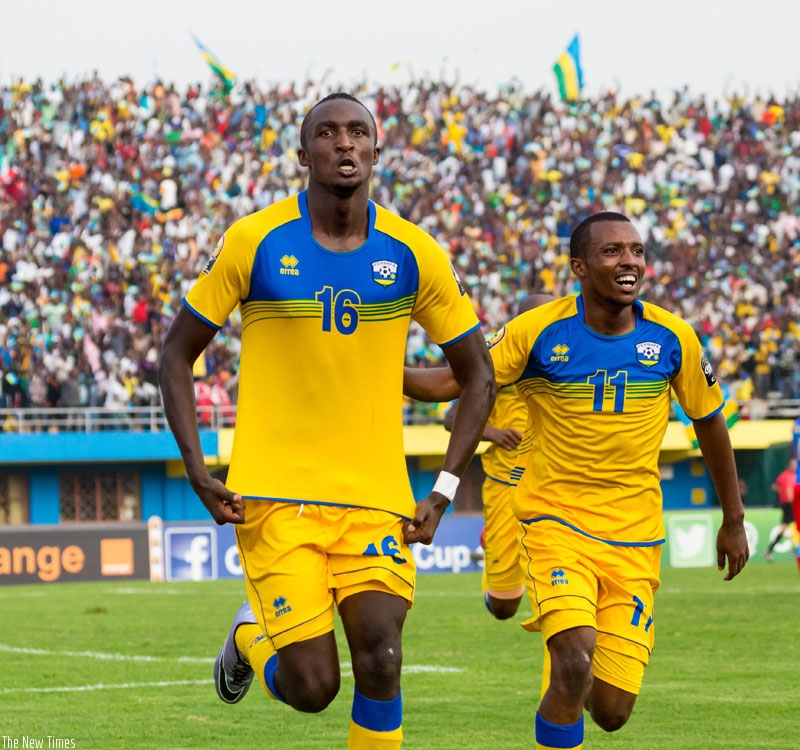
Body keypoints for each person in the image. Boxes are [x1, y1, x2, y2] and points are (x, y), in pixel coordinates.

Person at [157, 92, 495, 750]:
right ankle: (249, 637)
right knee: (313, 688)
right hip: (274, 497)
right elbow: (176, 353)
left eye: (358, 132)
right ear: (303, 153)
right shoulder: (253, 241)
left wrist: (445, 489)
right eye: (329, 133)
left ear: (376, 150)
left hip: (375, 500)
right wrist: (198, 470)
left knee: (382, 661)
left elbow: (476, 375)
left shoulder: (414, 253)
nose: (344, 143)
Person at [403, 212, 749, 749]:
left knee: (611, 710)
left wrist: (733, 519)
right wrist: (378, 369)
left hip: (636, 539)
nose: (629, 260)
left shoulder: (674, 336)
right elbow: (458, 381)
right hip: (555, 523)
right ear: (579, 267)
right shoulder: (537, 331)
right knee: (572, 659)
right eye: (612, 252)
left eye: (636, 250)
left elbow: (709, 423)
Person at [442, 293, 553, 620]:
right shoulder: (496, 359)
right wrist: (493, 433)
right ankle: (492, 543)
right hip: (505, 485)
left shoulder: (572, 356)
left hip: (556, 484)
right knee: (504, 608)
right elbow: (451, 418)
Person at [763, 457, 797, 561]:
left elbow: (774, 486)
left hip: (784, 504)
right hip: (790, 504)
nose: (795, 466)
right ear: (790, 465)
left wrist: (780, 491)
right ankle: (796, 551)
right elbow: (788, 490)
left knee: (784, 528)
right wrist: (792, 500)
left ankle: (769, 550)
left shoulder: (783, 475)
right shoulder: (790, 476)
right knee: (796, 527)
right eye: (794, 464)